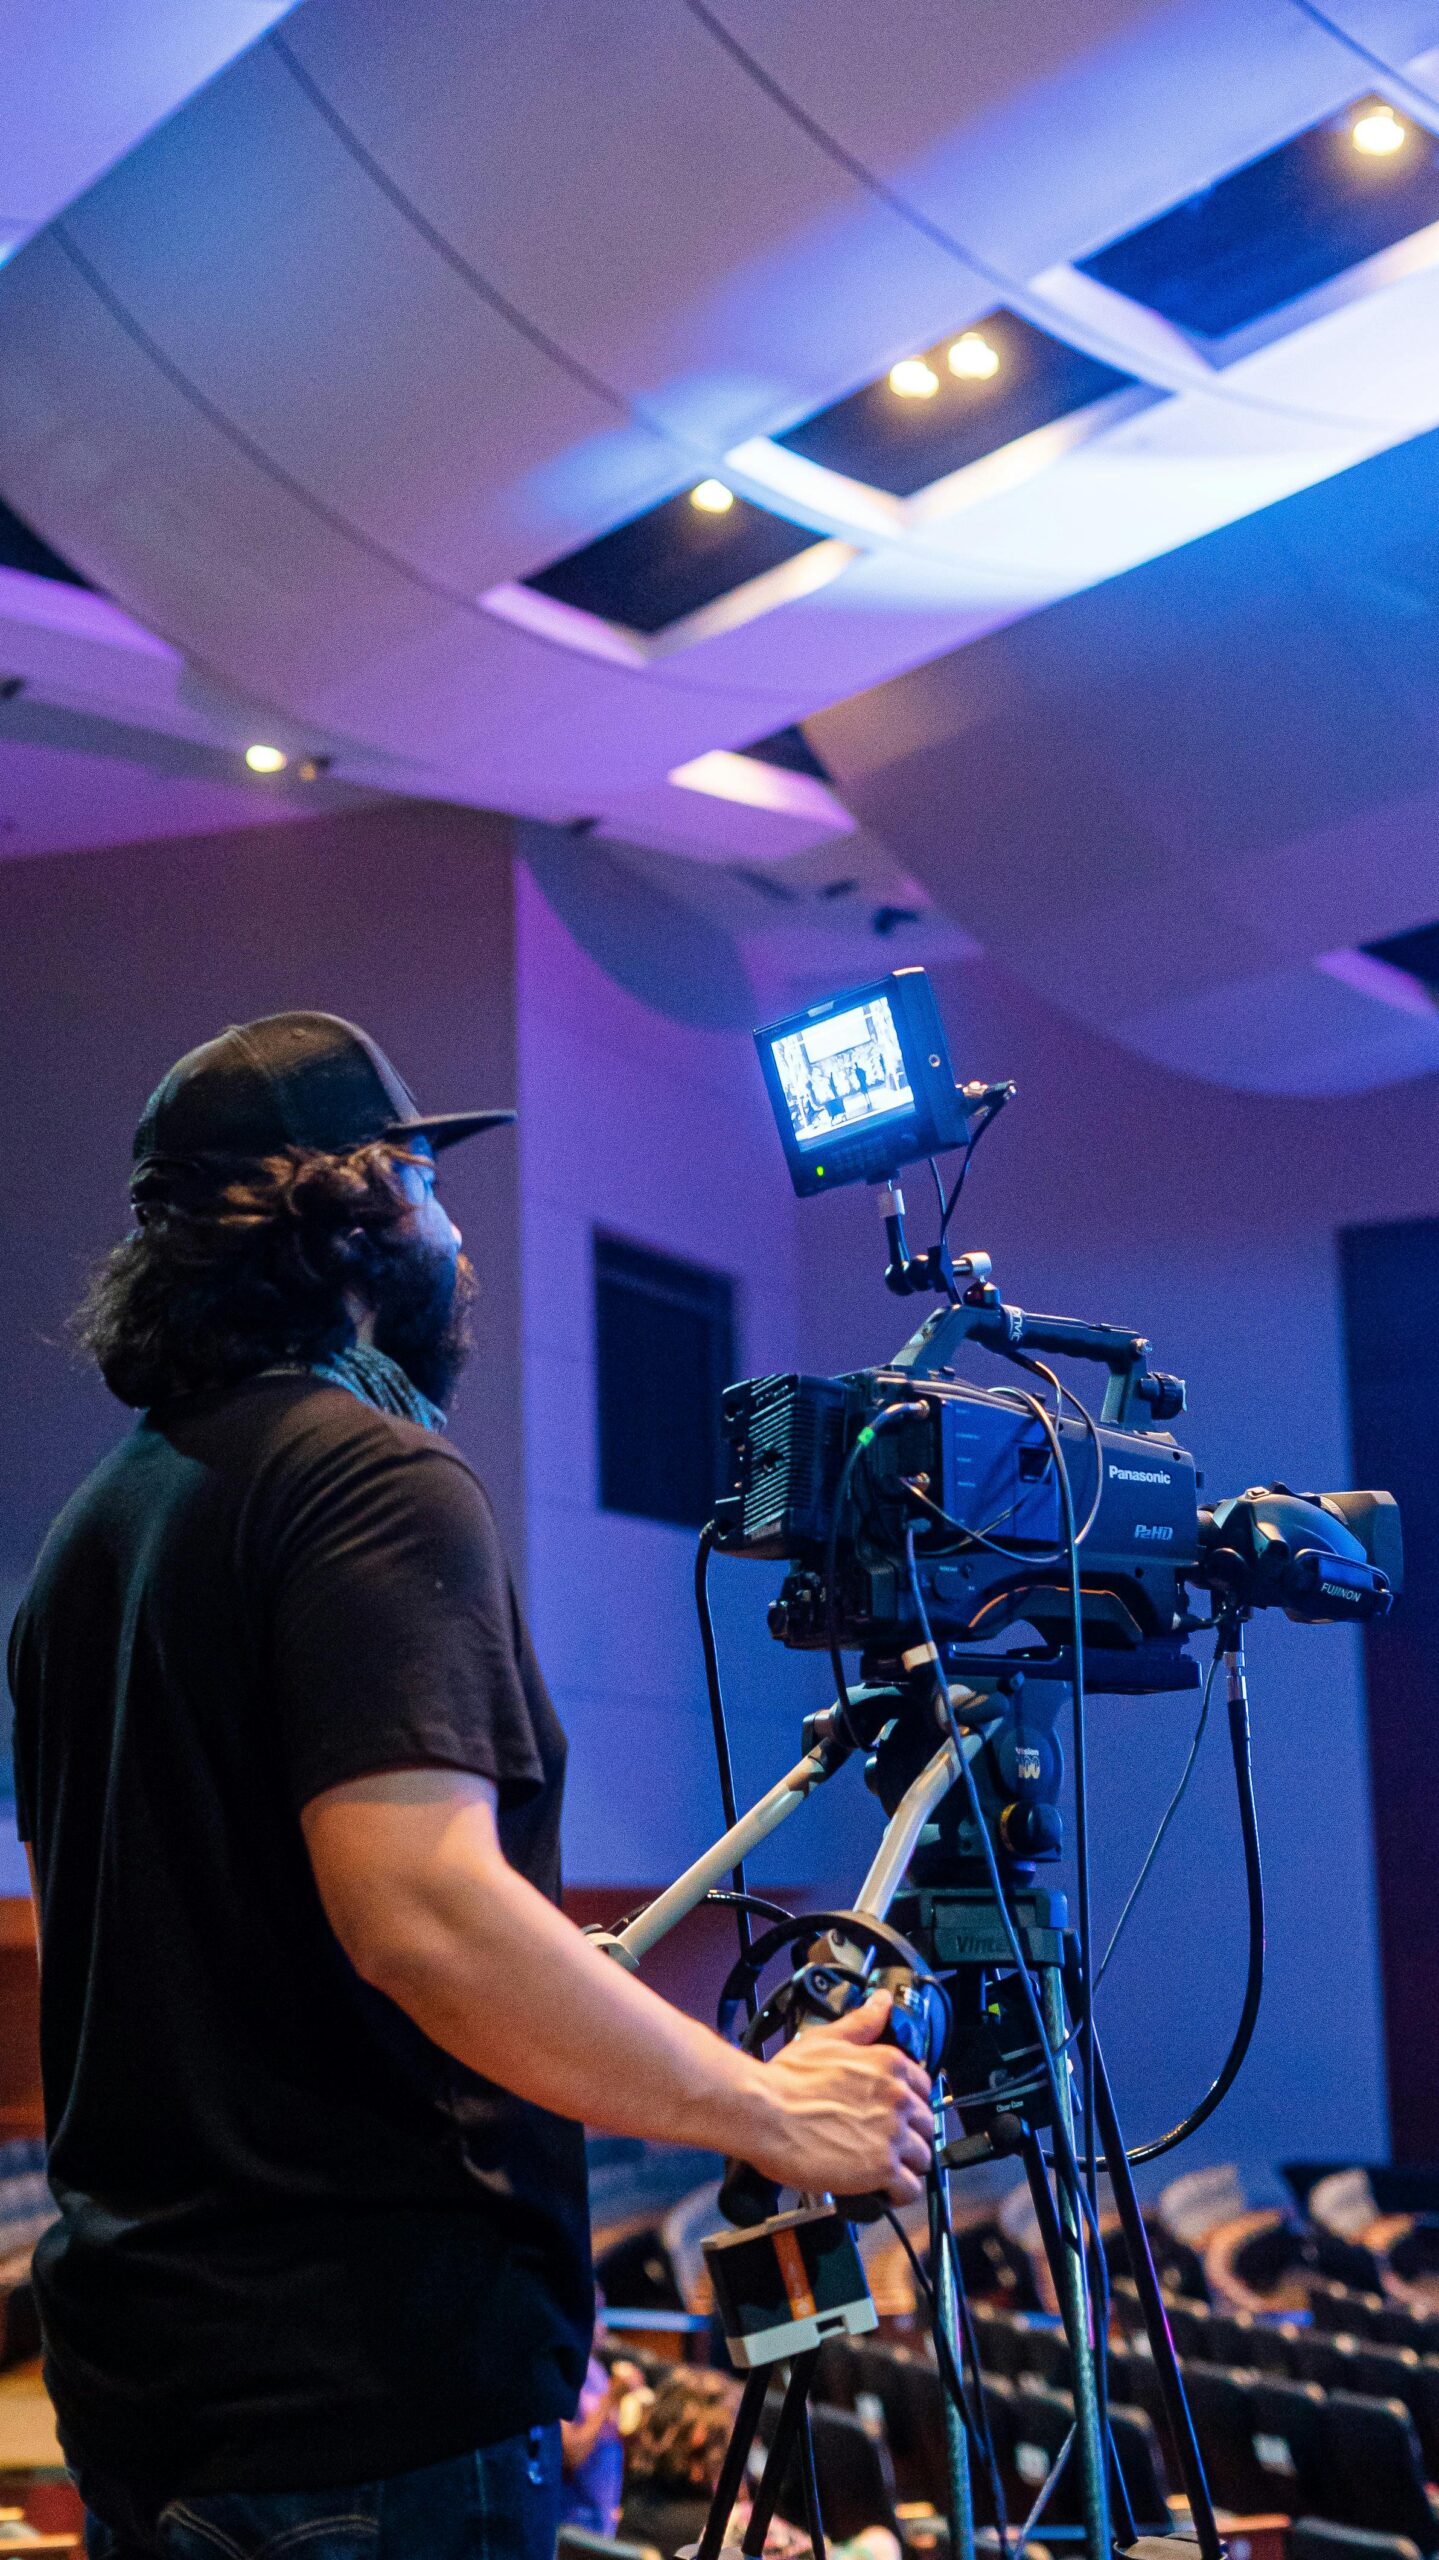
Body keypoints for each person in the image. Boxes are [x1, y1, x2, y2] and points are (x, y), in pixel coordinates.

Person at [6, 1012, 932, 2560]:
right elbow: (421, 1918)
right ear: (357, 1214)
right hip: (364, 2422)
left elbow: (236, 1940)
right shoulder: (372, 1481)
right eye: (432, 1187)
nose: (460, 1240)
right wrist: (770, 2110)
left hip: (162, 2404)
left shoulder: (100, 1530)